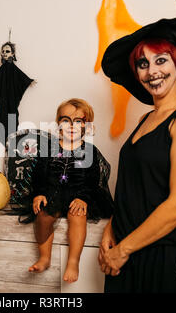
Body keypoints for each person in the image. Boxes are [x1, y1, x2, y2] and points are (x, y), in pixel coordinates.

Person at [99, 17, 176, 292]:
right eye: (143, 64)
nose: (152, 71)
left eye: (161, 60)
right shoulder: (147, 119)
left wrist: (122, 250)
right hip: (132, 251)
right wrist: (112, 226)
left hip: (172, 256)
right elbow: (140, 187)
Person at [28, 98, 113, 283]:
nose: (71, 126)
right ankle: (44, 257)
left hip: (78, 196)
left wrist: (84, 199)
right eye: (66, 120)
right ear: (58, 124)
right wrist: (40, 193)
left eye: (78, 121)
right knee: (43, 215)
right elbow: (39, 175)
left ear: (87, 126)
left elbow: (92, 182)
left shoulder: (89, 151)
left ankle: (73, 262)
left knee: (77, 217)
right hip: (53, 194)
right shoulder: (48, 149)